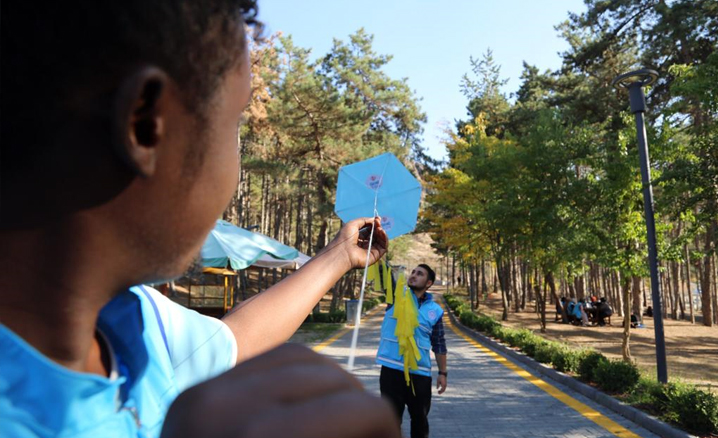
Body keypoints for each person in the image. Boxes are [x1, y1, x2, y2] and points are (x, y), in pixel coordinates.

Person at [0, 2, 401, 438]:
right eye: (233, 124)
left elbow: (235, 340)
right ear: (146, 123)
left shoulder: (136, 321)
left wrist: (340, 255)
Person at [376, 264, 448, 438]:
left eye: (420, 274)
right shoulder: (396, 297)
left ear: (428, 283)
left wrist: (442, 373)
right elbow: (384, 275)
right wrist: (378, 258)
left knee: (420, 421)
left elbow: (439, 343)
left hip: (420, 373)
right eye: (413, 272)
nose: (414, 275)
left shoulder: (435, 311)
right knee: (391, 422)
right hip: (392, 370)